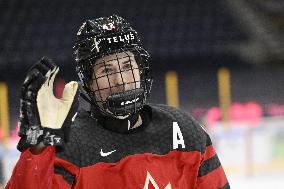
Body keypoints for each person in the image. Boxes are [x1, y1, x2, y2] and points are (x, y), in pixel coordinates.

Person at [5, 15, 230, 189]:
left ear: (141, 70)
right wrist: (39, 150)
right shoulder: (69, 145)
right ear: (88, 82)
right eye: (106, 70)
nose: (120, 81)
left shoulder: (184, 130)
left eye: (127, 67)